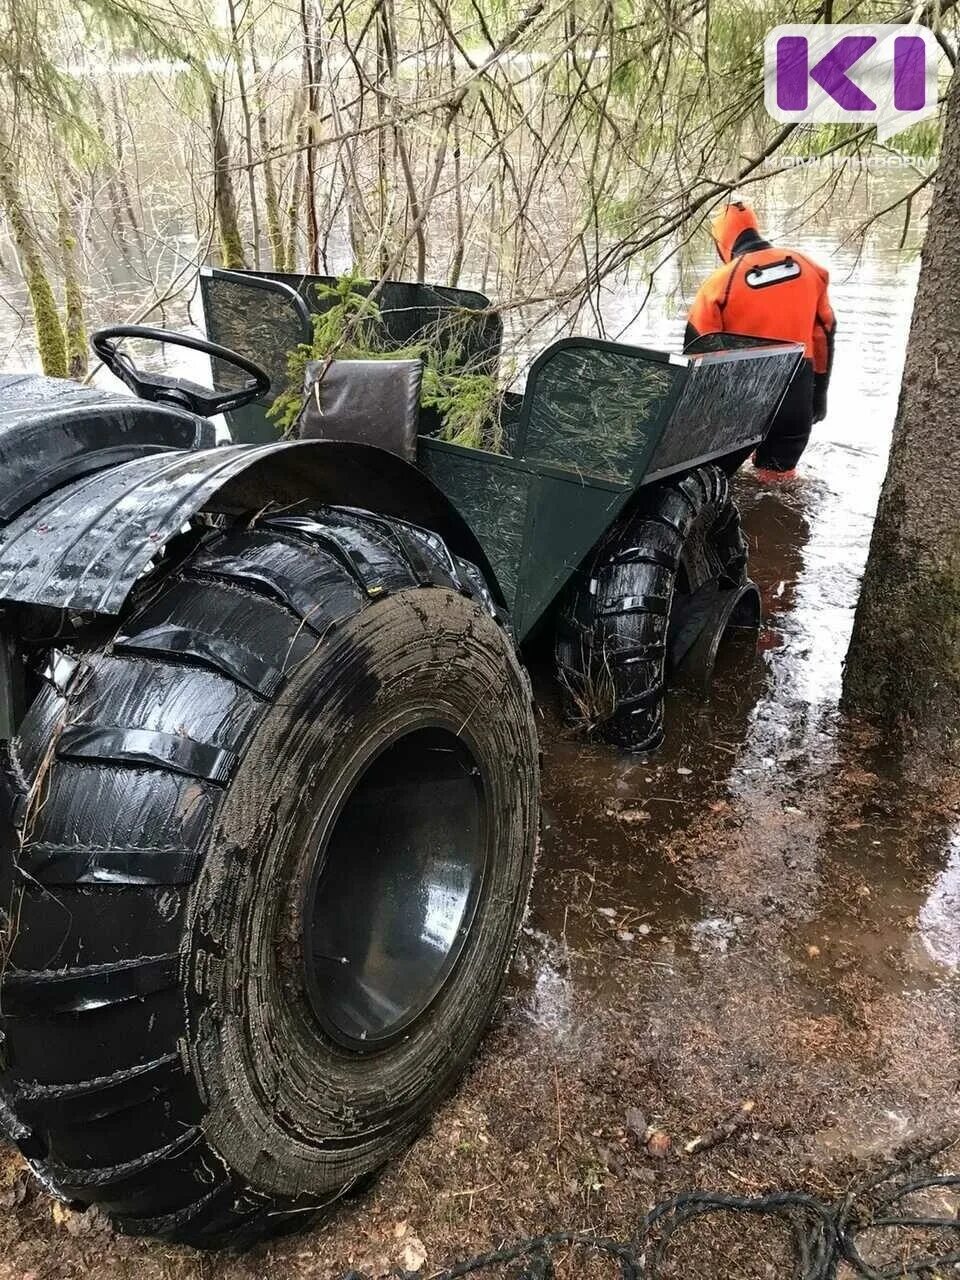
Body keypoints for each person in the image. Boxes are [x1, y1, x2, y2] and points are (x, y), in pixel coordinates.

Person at [685, 200, 836, 481]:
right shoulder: (809, 268)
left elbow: (697, 354)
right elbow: (823, 335)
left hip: (743, 398)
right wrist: (819, 396)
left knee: (715, 485)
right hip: (797, 396)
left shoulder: (719, 284)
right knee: (776, 487)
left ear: (723, 240)